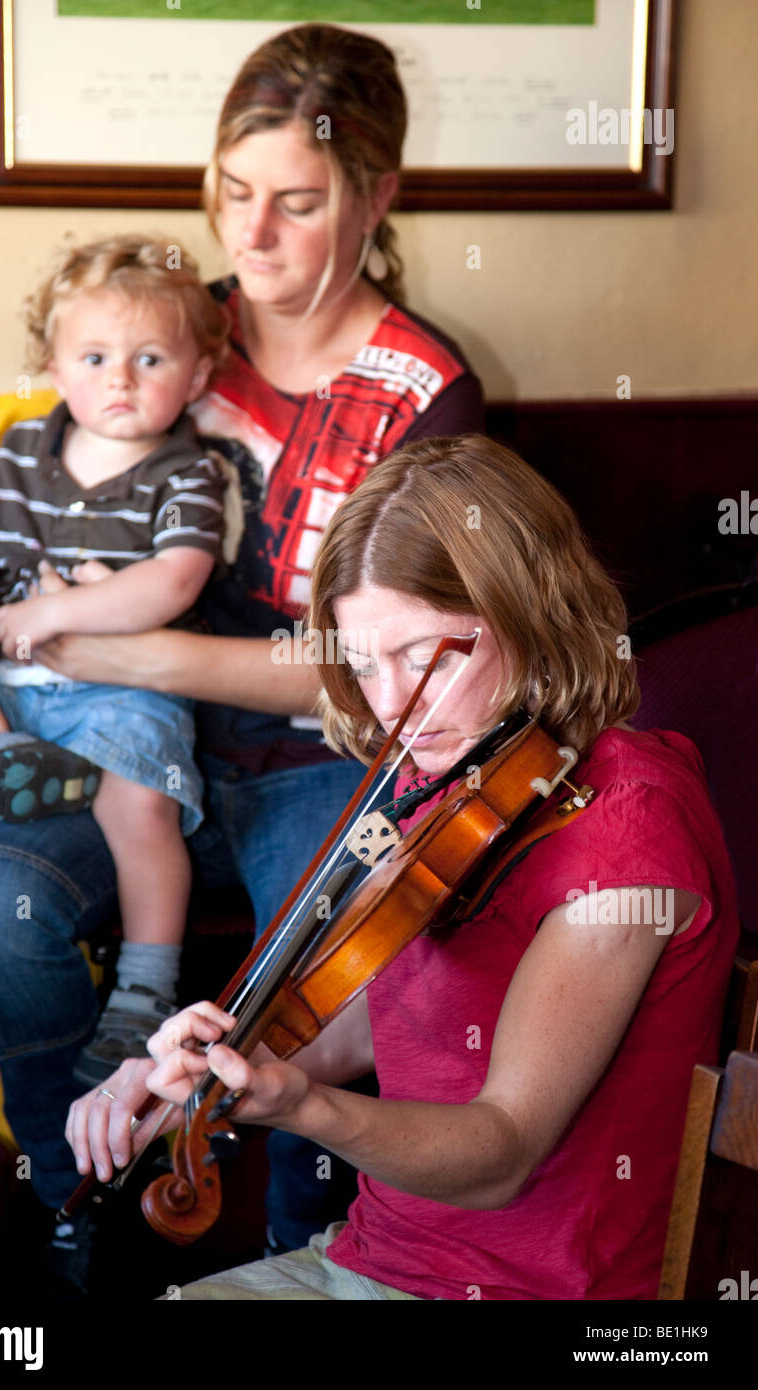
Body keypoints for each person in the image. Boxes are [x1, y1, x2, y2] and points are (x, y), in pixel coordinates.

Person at [0, 23, 484, 1267]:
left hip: (314, 759)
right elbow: (18, 516)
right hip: (120, 754)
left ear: (377, 196)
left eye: (298, 204)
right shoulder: (165, 332)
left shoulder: (425, 393)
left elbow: (381, 667)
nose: (250, 238)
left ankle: (309, 1261)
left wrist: (129, 653)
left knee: (321, 974)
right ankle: (77, 1218)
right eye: (230, 195)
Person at [67, 435, 740, 1301]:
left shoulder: (627, 833)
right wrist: (207, 1077)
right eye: (360, 663)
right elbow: (375, 1012)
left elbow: (502, 1151)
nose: (389, 706)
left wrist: (302, 1110)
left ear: (530, 610)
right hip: (376, 1255)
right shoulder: (456, 774)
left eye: (424, 657)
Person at [0, 234, 229, 1087]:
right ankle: (11, 764)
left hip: (127, 692)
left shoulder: (185, 472)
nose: (119, 379)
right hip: (19, 693)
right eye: (94, 357)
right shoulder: (25, 451)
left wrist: (52, 612)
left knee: (141, 809)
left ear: (197, 376)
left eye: (149, 358)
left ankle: (144, 993)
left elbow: (173, 581)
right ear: (55, 369)